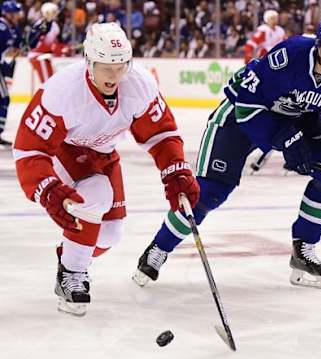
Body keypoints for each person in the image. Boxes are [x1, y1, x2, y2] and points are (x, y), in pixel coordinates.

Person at [133, 11, 321, 290]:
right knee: (210, 191)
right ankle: (159, 248)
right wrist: (285, 139)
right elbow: (246, 104)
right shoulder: (291, 55)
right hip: (243, 116)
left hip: (298, 115)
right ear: (319, 44)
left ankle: (304, 249)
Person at [13, 22, 200, 316]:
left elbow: (161, 134)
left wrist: (175, 171)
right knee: (96, 193)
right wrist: (47, 189)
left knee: (110, 234)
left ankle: (72, 257)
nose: (114, 76)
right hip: (66, 150)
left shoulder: (139, 84)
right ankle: (70, 275)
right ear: (89, 62)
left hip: (103, 154)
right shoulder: (63, 91)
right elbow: (29, 148)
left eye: (121, 66)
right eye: (105, 67)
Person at [0, 0, 23, 147]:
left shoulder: (11, 27)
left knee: (4, 99)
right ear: (7, 13)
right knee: (4, 99)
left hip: (1, 66)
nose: (17, 15)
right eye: (15, 13)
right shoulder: (2, 27)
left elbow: (17, 46)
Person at [27, 2, 61, 84]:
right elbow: (32, 44)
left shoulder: (54, 25)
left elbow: (54, 42)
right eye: (53, 12)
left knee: (52, 80)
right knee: (48, 82)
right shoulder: (41, 24)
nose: (55, 14)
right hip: (38, 56)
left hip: (45, 55)